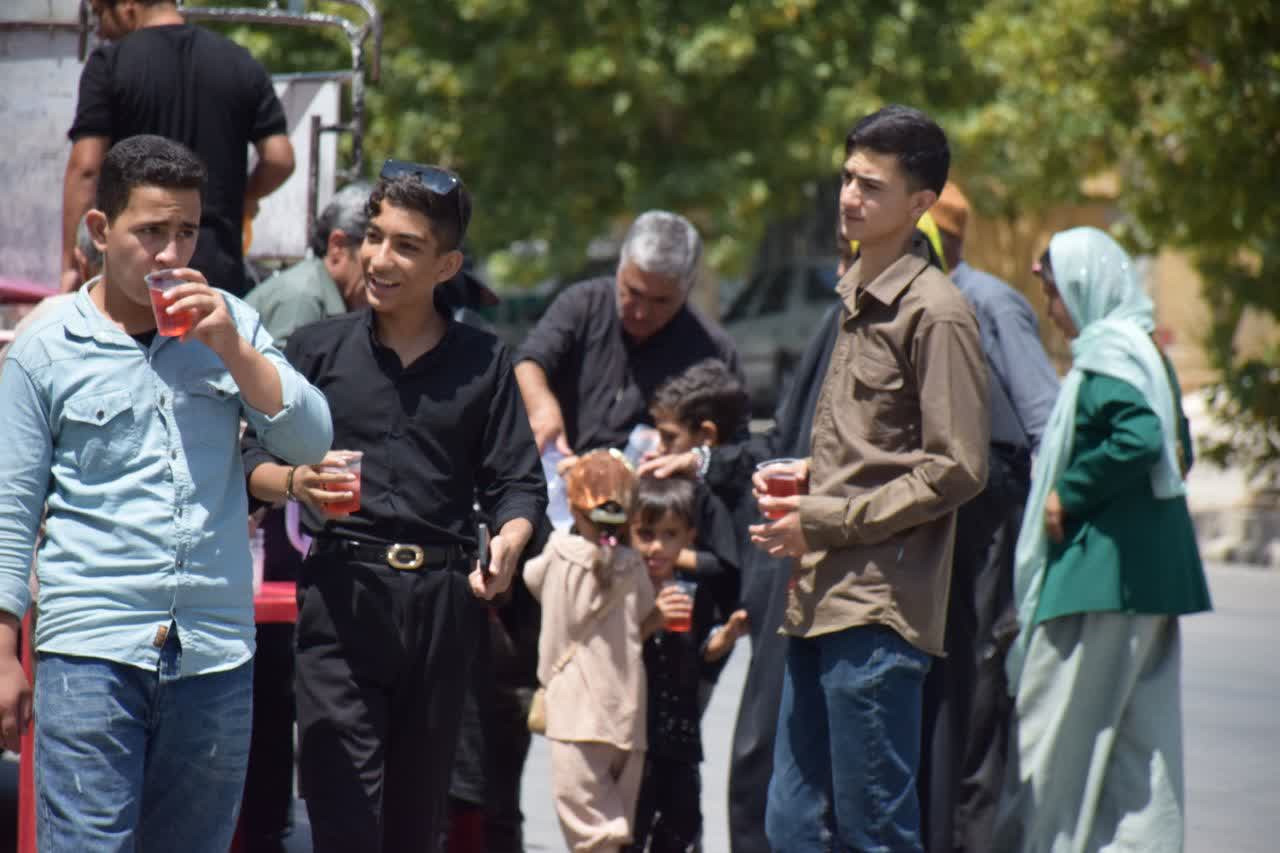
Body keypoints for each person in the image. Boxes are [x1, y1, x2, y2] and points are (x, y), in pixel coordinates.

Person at [0, 134, 331, 851]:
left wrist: (233, 350)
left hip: (214, 652)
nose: (171, 254)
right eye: (151, 231)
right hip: (91, 649)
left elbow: (311, 440)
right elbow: (10, 508)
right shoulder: (45, 345)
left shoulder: (230, 322)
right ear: (100, 230)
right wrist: (2, 649)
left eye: (186, 232)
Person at [240, 159, 545, 852]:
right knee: (344, 821)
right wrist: (296, 482)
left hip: (444, 609)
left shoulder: (485, 361)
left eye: (405, 246)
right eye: (374, 237)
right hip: (339, 599)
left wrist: (509, 541)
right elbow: (250, 458)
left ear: (447, 266)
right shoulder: (315, 351)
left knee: (414, 828)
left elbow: (519, 484)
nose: (378, 259)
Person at [640, 217, 947, 853]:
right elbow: (785, 444)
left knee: (867, 812)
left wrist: (835, 503)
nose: (842, 274)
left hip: (871, 593)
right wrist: (711, 464)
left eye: (856, 259)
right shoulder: (837, 327)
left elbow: (954, 468)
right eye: (843, 257)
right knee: (781, 795)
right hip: (799, 579)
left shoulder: (934, 330)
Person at [749, 105, 989, 852]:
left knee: (875, 832)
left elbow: (958, 466)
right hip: (816, 599)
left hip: (878, 609)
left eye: (872, 185)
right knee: (791, 826)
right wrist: (809, 473)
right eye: (848, 178)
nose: (850, 197)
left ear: (921, 203)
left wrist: (827, 518)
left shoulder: (937, 313)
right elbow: (874, 446)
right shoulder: (855, 294)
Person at [992, 227, 1211, 853]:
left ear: (1086, 288)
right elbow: (1179, 450)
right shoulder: (1146, 353)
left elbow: (1140, 438)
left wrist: (1069, 492)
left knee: (1052, 747)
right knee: (1139, 756)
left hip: (1099, 581)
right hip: (1151, 577)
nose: (1051, 311)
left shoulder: (1109, 356)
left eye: (1056, 294)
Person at [918, 182, 1061, 852]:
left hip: (988, 521)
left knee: (976, 687)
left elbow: (1041, 418)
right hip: (938, 525)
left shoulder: (987, 301)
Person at [63, 0, 295, 296]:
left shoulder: (110, 63)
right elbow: (280, 159)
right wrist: (245, 197)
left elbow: (86, 169)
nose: (100, 31)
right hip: (217, 264)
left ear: (127, 7)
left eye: (100, 14)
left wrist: (72, 265)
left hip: (138, 268)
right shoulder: (241, 62)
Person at [515, 210, 743, 455]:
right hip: (561, 466)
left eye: (660, 301)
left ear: (687, 289)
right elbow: (528, 363)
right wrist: (541, 407)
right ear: (620, 269)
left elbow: (737, 450)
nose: (641, 312)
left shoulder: (713, 351)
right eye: (633, 292)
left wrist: (693, 458)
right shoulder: (582, 304)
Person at [523, 450, 660, 853]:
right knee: (615, 826)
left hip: (573, 713)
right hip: (626, 714)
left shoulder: (558, 553)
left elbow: (530, 580)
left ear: (574, 508)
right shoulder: (633, 565)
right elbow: (646, 611)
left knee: (590, 834)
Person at [627, 475, 748, 853]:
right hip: (633, 738)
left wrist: (722, 639)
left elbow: (698, 651)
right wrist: (651, 621)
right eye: (646, 534)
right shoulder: (625, 589)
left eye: (670, 535)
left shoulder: (693, 591)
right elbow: (610, 652)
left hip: (680, 736)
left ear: (688, 538)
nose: (656, 547)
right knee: (631, 829)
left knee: (682, 827)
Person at [246, 181, 374, 346]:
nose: (381, 265)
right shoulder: (303, 298)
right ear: (338, 246)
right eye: (374, 245)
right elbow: (284, 362)